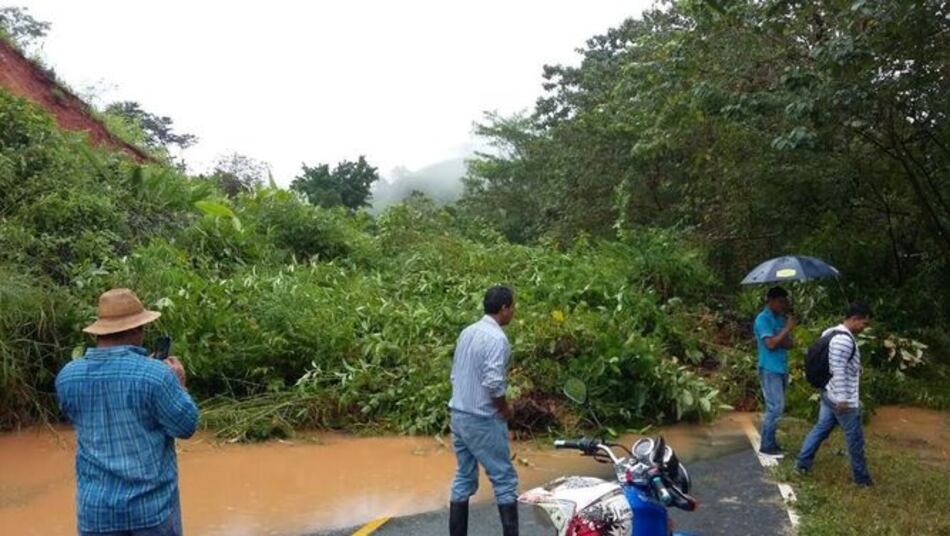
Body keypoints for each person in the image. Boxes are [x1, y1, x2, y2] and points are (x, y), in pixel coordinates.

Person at [55, 288, 199, 536]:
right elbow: (185, 426)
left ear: (100, 333)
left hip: (96, 512)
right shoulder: (157, 375)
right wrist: (178, 384)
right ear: (137, 329)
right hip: (151, 511)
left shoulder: (68, 375)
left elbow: (77, 416)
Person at [448, 285, 519, 536]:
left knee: (464, 478)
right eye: (513, 307)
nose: (513, 312)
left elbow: (456, 373)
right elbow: (493, 384)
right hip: (482, 418)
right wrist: (505, 409)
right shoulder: (497, 339)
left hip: (458, 415)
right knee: (505, 480)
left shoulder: (467, 332)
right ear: (504, 308)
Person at [795, 302, 874, 486]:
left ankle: (801, 465)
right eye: (864, 323)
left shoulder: (831, 332)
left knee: (820, 429)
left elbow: (837, 362)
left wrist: (855, 367)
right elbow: (837, 369)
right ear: (855, 319)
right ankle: (862, 480)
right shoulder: (844, 340)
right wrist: (843, 399)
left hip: (828, 392)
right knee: (855, 440)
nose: (864, 328)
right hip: (841, 399)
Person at [754, 286, 796, 457]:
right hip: (769, 368)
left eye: (785, 302)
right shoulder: (762, 319)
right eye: (780, 301)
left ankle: (771, 442)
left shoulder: (780, 318)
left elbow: (789, 344)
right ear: (770, 301)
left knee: (776, 407)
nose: (783, 305)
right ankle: (766, 446)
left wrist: (787, 330)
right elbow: (770, 344)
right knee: (775, 408)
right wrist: (786, 328)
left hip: (781, 367)